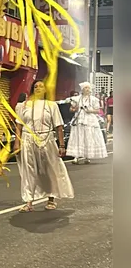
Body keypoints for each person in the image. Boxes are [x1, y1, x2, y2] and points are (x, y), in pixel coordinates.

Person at [14, 80, 74, 212]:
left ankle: (51, 199)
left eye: (41, 86)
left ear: (46, 90)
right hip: (28, 140)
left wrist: (61, 145)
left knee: (49, 170)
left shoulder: (51, 105)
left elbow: (59, 126)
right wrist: (17, 143)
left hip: (47, 140)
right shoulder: (24, 105)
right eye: (35, 86)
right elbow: (18, 126)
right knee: (28, 171)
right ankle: (29, 201)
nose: (38, 88)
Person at [67, 82, 107, 164]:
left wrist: (89, 110)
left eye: (88, 88)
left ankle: (87, 156)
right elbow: (71, 109)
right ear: (82, 89)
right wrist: (75, 109)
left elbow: (97, 110)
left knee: (88, 137)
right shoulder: (77, 99)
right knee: (78, 137)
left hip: (90, 120)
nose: (87, 89)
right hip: (79, 119)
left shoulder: (94, 99)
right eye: (86, 88)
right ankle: (76, 157)